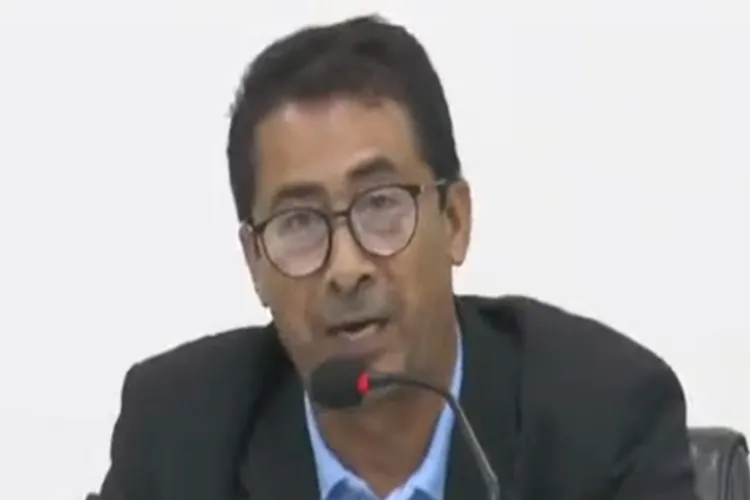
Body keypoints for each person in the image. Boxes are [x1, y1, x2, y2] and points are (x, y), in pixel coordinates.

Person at [95, 14, 698, 500]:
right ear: (255, 262)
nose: (346, 268)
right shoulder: (176, 435)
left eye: (380, 204)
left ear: (454, 220)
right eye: (299, 222)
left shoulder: (604, 419)